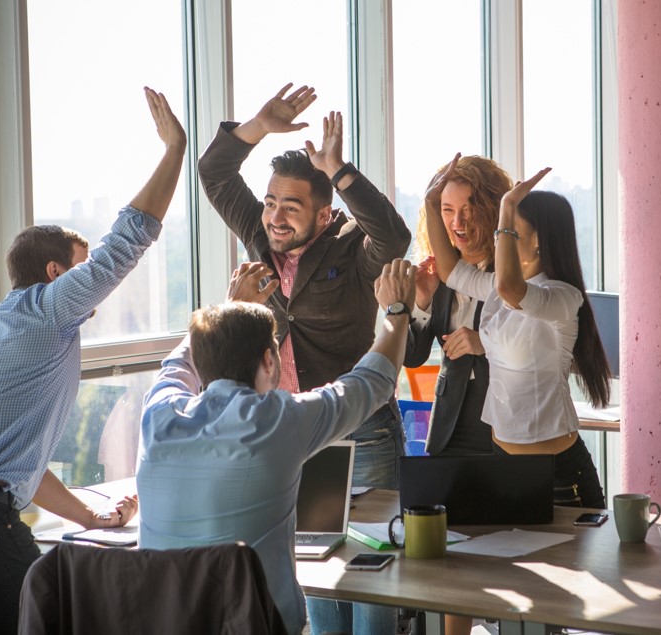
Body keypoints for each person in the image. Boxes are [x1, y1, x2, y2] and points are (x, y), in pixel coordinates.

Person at [0, 86, 186, 634]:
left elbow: (13, 470)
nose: (90, 285)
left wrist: (92, 517)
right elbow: (127, 242)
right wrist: (174, 153)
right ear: (56, 274)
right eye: (80, 269)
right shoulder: (49, 310)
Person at [197, 82, 411, 634]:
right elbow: (215, 173)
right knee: (315, 569)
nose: (274, 216)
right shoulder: (258, 236)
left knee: (371, 574)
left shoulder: (347, 247)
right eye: (270, 202)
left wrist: (340, 170)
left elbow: (393, 238)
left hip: (361, 429)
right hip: (293, 429)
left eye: (291, 206)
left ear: (323, 214)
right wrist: (257, 126)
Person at [136, 259, 416, 635]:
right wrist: (397, 311)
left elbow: (176, 364)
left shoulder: (158, 413)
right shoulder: (275, 420)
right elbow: (371, 382)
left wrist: (227, 309)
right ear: (270, 361)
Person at [425, 154, 611, 508]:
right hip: (503, 463)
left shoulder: (561, 297)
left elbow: (513, 291)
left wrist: (507, 204)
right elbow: (450, 271)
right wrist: (431, 205)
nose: (500, 241)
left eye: (509, 233)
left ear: (538, 240)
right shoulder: (499, 288)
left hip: (558, 475)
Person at [405, 156, 512, 456]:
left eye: (468, 210)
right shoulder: (435, 272)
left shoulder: (513, 272)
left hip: (505, 418)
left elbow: (536, 342)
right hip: (449, 424)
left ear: (493, 210)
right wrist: (421, 302)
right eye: (447, 210)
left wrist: (484, 343)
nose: (457, 223)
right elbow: (412, 358)